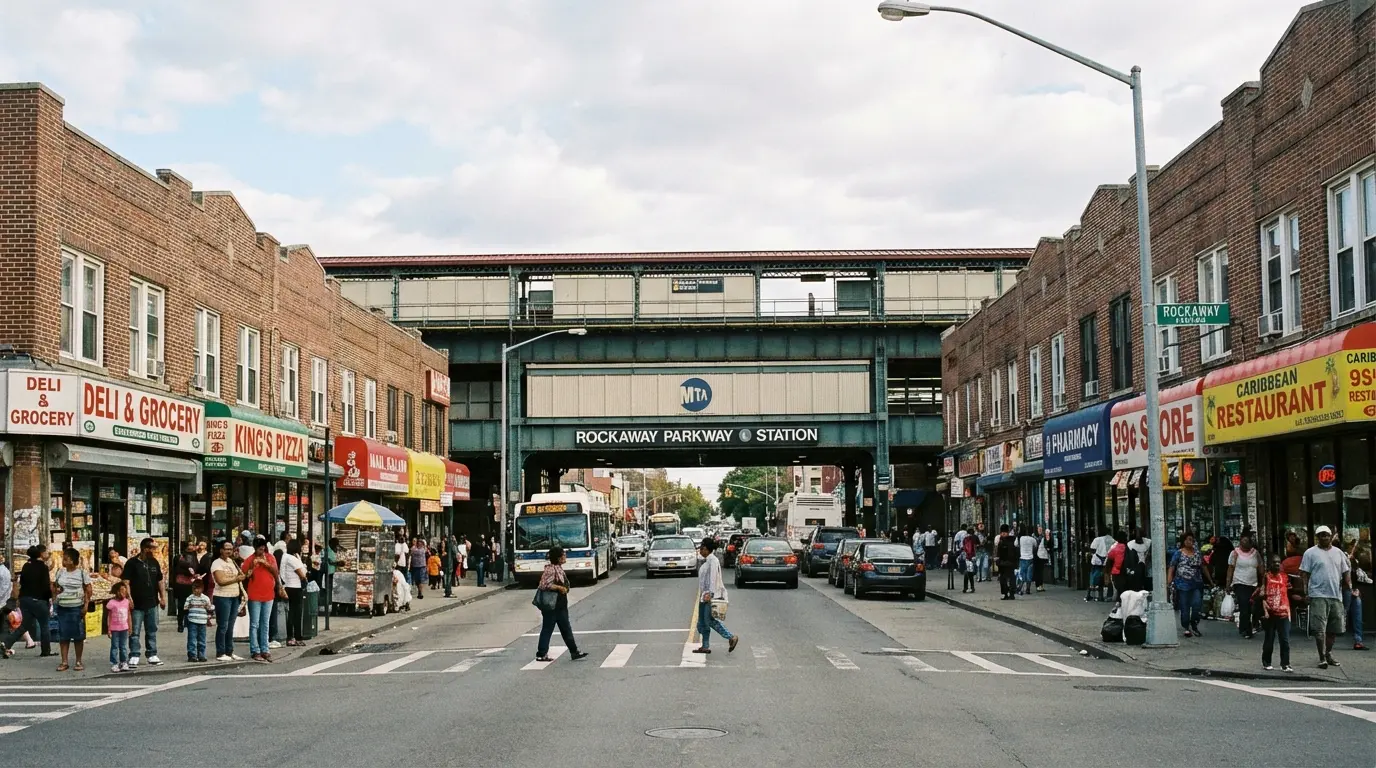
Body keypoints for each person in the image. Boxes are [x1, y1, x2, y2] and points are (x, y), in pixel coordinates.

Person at [1300, 525, 1354, 670]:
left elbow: (1346, 571)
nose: (1324, 537)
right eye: (1321, 535)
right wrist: (1306, 593)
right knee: (1319, 629)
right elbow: (1304, 574)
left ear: (1330, 536)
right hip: (1317, 595)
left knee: (1333, 630)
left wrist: (1350, 586)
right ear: (1317, 537)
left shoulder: (1338, 553)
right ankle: (1322, 657)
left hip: (1335, 595)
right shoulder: (1310, 553)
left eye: (1326, 535)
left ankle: (1328, 653)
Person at [534, 547, 587, 662]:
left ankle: (574, 652)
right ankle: (541, 654)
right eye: (563, 555)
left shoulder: (558, 568)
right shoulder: (551, 569)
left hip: (560, 605)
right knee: (548, 629)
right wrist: (559, 587)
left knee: (565, 628)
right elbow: (544, 585)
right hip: (552, 605)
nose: (565, 556)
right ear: (558, 558)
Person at [122, 537, 166, 668]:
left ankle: (152, 653)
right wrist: (129, 598)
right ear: (144, 549)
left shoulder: (154, 562)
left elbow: (160, 581)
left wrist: (163, 597)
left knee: (151, 629)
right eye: (151, 548)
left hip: (152, 602)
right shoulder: (132, 563)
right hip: (137, 603)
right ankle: (134, 654)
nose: (154, 551)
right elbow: (126, 582)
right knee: (134, 631)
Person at [693, 538, 739, 654]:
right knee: (702, 622)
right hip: (704, 596)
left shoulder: (713, 561)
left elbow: (713, 578)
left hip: (710, 596)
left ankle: (730, 637)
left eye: (702, 548)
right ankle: (705, 646)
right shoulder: (707, 561)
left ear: (707, 549)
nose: (700, 551)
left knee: (709, 620)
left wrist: (710, 593)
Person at [52, 548, 92, 672]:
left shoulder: (82, 573)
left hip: (76, 608)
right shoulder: (60, 572)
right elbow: (55, 586)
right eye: (64, 558)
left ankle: (78, 661)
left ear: (73, 560)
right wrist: (55, 596)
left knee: (78, 636)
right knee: (63, 636)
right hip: (62, 608)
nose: (64, 561)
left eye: (66, 559)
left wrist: (86, 605)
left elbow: (88, 590)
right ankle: (64, 661)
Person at [241, 536, 280, 662]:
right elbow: (244, 576)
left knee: (265, 623)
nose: (261, 551)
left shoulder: (270, 557)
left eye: (263, 549)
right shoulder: (249, 560)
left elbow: (276, 572)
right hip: (254, 595)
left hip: (268, 594)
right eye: (259, 549)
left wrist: (266, 564)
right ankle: (255, 650)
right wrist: (252, 566)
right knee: (254, 624)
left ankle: (265, 649)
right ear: (255, 548)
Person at [1169, 532, 1212, 637]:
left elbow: (1203, 566)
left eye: (1192, 540)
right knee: (1184, 606)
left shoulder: (1197, 553)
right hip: (1182, 583)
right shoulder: (1179, 553)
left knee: (1197, 604)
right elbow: (1172, 567)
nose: (1190, 542)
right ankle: (1186, 627)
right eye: (1188, 539)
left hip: (1196, 583)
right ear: (1184, 541)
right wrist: (1169, 581)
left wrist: (1210, 580)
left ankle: (1194, 623)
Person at [210, 539, 247, 661]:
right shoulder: (216, 563)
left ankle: (229, 651)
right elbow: (220, 581)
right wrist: (236, 579)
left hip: (234, 596)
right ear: (221, 550)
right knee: (223, 625)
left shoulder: (232, 561)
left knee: (231, 626)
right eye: (226, 549)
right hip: (222, 597)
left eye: (231, 549)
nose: (229, 551)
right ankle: (220, 652)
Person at [1259, 555, 1293, 672]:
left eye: (1278, 562)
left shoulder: (1285, 577)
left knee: (1285, 640)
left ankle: (1285, 664)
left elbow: (1290, 590)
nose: (1277, 564)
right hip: (1270, 613)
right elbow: (1261, 592)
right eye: (1274, 562)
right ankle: (1266, 662)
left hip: (1284, 613)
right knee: (1269, 638)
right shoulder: (1266, 577)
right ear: (1270, 564)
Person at [1227, 532, 1263, 639]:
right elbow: (1230, 568)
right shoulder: (1234, 553)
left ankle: (1246, 626)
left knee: (1252, 607)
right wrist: (1228, 584)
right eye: (1244, 540)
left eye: (1248, 541)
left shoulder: (1255, 553)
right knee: (1244, 605)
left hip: (1253, 584)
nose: (1245, 543)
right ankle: (1246, 629)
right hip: (1240, 583)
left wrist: (1263, 582)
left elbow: (1261, 567)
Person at [280, 539, 309, 647]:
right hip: (295, 587)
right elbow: (302, 574)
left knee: (291, 612)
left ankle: (290, 637)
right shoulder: (292, 559)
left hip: (288, 586)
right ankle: (297, 637)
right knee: (296, 613)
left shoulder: (285, 557)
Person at [172, 540, 200, 633]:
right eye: (189, 545)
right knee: (181, 605)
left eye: (192, 545)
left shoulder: (194, 556)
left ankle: (188, 622)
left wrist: (196, 575)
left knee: (190, 604)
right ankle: (180, 623)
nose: (191, 547)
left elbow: (197, 568)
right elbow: (175, 570)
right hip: (181, 583)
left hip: (191, 583)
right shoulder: (179, 557)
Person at [183, 579, 213, 662]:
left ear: (202, 589)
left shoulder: (205, 598)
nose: (196, 590)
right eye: (194, 588)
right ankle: (192, 655)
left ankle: (201, 654)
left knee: (202, 639)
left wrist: (209, 611)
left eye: (198, 588)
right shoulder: (190, 598)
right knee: (192, 639)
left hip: (202, 621)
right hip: (192, 621)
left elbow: (209, 607)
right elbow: (185, 607)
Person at [106, 580, 132, 672]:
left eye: (125, 591)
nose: (124, 593)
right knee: (114, 646)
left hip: (124, 628)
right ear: (117, 592)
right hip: (114, 629)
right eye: (122, 591)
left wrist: (130, 627)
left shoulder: (127, 602)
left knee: (123, 646)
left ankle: (123, 662)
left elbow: (129, 615)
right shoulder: (111, 603)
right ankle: (114, 663)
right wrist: (109, 629)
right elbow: (109, 617)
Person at [1086, 528, 1112, 602]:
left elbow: (1092, 548)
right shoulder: (1111, 539)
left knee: (1094, 577)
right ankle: (1104, 596)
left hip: (1097, 561)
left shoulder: (1097, 539)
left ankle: (1089, 594)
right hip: (1107, 560)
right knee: (1106, 578)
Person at [996, 525, 1019, 600]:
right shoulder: (1000, 541)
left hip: (1010, 562)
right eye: (1002, 532)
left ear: (1008, 532)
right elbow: (998, 552)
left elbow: (1016, 552)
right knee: (1003, 579)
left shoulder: (1012, 540)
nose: (1003, 533)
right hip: (1003, 563)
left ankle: (1011, 593)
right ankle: (1005, 593)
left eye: (1005, 532)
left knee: (1011, 578)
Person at [1105, 531, 1129, 600]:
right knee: (1124, 587)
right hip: (1126, 570)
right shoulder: (1128, 547)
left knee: (1119, 587)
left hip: (1117, 571)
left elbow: (1109, 557)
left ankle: (1119, 601)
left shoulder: (1115, 547)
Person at [1017, 526, 1037, 596]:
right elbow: (1035, 546)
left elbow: (1015, 544)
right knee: (1029, 575)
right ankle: (1028, 589)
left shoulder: (1020, 538)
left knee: (1022, 574)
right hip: (1030, 559)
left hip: (1023, 558)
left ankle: (1019, 588)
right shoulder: (1033, 539)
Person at [1034, 527, 1050, 592]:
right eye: (1039, 530)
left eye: (1041, 530)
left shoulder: (1041, 537)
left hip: (1039, 556)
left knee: (1040, 571)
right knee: (1039, 572)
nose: (1040, 531)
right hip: (1039, 556)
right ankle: (1039, 585)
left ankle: (1039, 585)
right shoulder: (1039, 538)